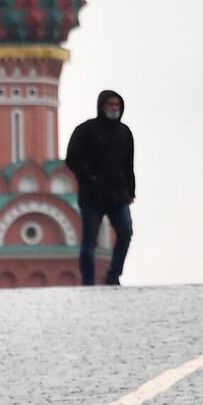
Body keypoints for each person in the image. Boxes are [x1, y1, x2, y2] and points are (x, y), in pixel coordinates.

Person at [65, 89, 135, 286]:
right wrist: (90, 177)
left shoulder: (124, 132)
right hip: (92, 197)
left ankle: (113, 275)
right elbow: (72, 159)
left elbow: (128, 164)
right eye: (110, 105)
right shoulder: (86, 130)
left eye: (116, 105)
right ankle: (88, 282)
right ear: (101, 106)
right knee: (90, 241)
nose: (113, 109)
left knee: (126, 231)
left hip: (118, 196)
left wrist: (131, 190)